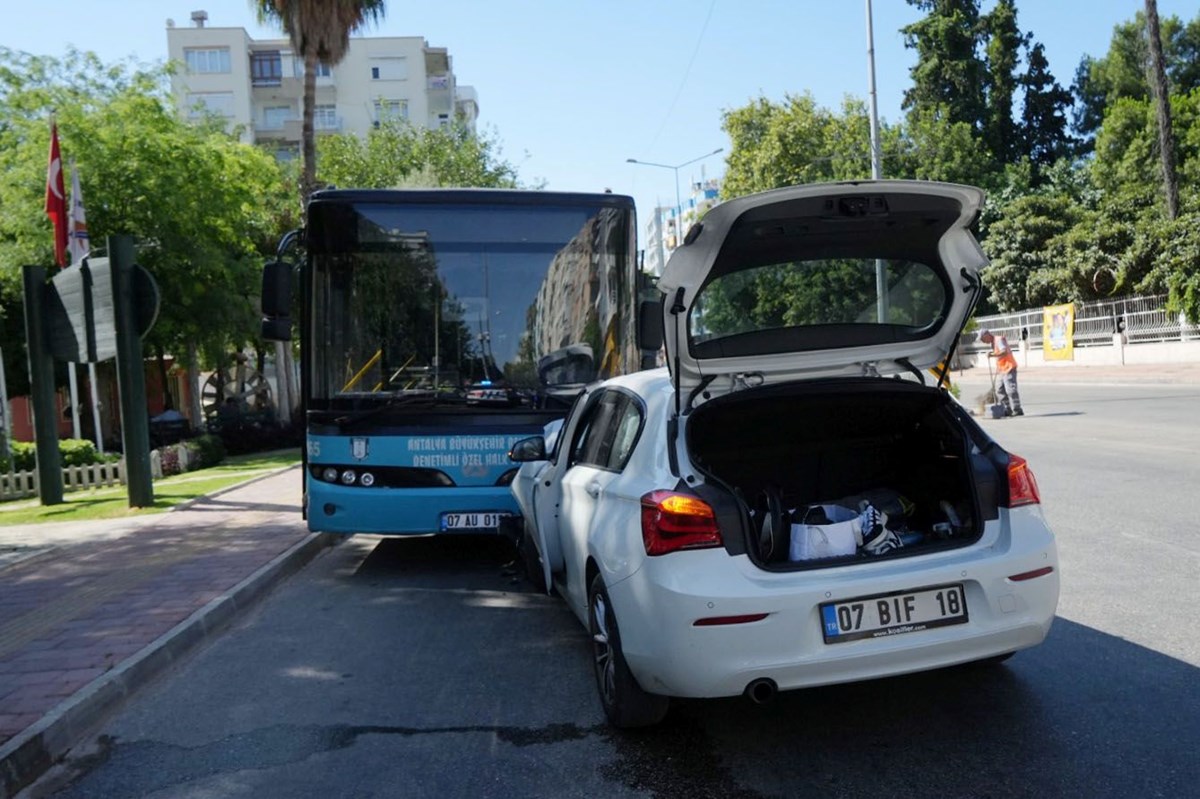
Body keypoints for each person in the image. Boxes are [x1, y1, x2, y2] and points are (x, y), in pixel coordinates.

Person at [979, 328, 1023, 417]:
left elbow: (1004, 352)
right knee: (999, 390)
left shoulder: (999, 340)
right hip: (1002, 369)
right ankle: (1007, 409)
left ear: (986, 335)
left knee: (1010, 390)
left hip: (1009, 367)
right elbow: (999, 355)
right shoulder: (993, 343)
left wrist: (992, 355)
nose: (983, 342)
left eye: (982, 339)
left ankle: (1017, 409)